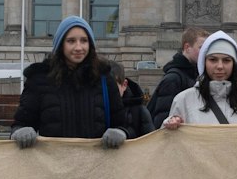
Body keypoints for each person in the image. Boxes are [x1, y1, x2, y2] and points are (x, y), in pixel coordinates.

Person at [11, 17, 143, 148]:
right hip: (52, 166)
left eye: (84, 41)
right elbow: (21, 123)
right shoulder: (39, 80)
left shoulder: (105, 79)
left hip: (97, 166)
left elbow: (124, 124)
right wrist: (20, 132)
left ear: (90, 44)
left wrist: (121, 132)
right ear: (61, 44)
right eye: (71, 41)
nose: (78, 47)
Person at [161, 31, 237, 128]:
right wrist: (170, 127)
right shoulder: (184, 100)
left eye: (226, 60)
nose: (219, 66)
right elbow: (168, 146)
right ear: (204, 62)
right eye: (213, 60)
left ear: (234, 64)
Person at [148, 27, 207, 125]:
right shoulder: (173, 79)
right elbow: (162, 121)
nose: (205, 52)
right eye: (201, 48)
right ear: (187, 47)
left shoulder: (195, 75)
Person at [110, 63, 155, 137]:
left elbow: (150, 140)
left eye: (112, 86)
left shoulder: (139, 111)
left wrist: (125, 134)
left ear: (124, 85)